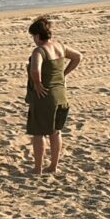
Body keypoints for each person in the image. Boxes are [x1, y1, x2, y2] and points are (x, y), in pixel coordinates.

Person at [26, 15, 82, 174]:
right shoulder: (60, 46)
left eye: (33, 36)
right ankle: (53, 166)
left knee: (38, 133)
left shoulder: (39, 51)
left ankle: (37, 168)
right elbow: (78, 57)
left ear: (38, 36)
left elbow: (35, 70)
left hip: (45, 96)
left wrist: (38, 84)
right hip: (61, 95)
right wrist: (63, 74)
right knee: (55, 131)